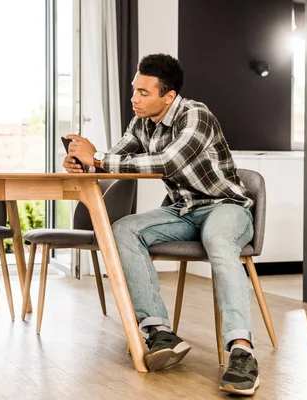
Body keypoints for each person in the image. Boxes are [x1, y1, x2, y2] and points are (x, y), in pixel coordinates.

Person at [63, 53, 259, 396]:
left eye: (143, 92)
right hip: (182, 211)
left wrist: (96, 157)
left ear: (168, 96)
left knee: (218, 240)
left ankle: (241, 351)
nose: (134, 99)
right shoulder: (141, 123)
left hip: (225, 207)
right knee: (124, 228)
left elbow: (167, 162)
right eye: (134, 90)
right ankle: (159, 332)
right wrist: (86, 164)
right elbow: (116, 161)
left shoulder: (195, 114)